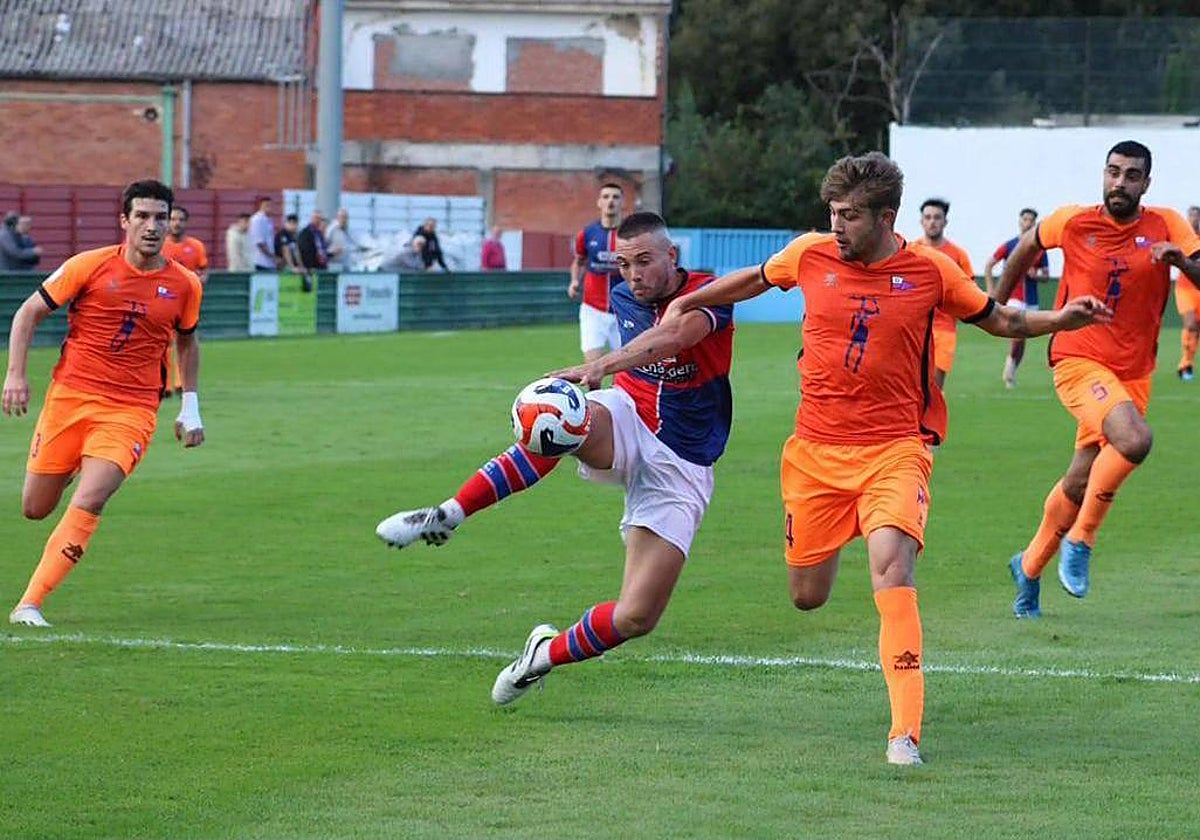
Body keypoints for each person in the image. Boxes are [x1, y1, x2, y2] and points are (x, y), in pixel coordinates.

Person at [661, 152, 1109, 766]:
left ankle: (904, 734)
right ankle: (845, 531)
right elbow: (755, 279)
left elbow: (999, 316)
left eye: (848, 216)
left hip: (896, 449)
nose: (836, 225)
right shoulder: (810, 254)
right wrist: (688, 304)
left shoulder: (929, 272)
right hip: (815, 454)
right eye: (832, 213)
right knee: (806, 596)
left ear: (885, 217)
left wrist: (1061, 316)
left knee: (892, 567)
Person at [375, 211, 736, 715]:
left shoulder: (707, 293)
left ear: (671, 257)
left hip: (683, 460)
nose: (634, 274)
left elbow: (675, 338)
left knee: (636, 617)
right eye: (626, 264)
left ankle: (542, 655)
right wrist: (596, 383)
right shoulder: (622, 295)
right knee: (557, 420)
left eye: (646, 261)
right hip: (628, 415)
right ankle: (449, 513)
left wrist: (598, 367)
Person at [995, 140, 1200, 619]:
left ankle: (1027, 568)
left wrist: (1182, 263)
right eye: (1113, 172)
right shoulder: (1073, 220)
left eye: (1131, 176)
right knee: (1134, 440)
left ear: (1146, 184)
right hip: (1077, 358)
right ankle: (1081, 541)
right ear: (1103, 175)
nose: (1119, 183)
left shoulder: (1167, 224)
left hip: (1135, 372)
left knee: (1080, 477)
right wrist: (996, 308)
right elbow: (1028, 245)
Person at [3, 179, 206, 628]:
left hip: (130, 411)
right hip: (69, 400)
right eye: (142, 217)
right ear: (125, 221)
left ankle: (29, 604)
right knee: (35, 508)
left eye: (160, 217)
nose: (152, 226)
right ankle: (78, 458)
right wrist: (15, 374)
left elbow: (188, 344)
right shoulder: (89, 266)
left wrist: (189, 406)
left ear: (169, 223)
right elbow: (27, 313)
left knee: (92, 496)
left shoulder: (185, 284)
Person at [983, 208, 1051, 388]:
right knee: (1017, 335)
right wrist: (991, 290)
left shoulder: (1040, 249)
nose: (1028, 223)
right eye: (1025, 219)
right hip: (1014, 297)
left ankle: (1011, 371)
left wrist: (1036, 274)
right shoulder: (1010, 245)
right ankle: (1008, 370)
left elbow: (1046, 275)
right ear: (1020, 222)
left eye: (1031, 220)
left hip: (1032, 299)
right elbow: (989, 265)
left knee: (1023, 338)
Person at [916, 198, 976, 389]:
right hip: (914, 327)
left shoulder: (958, 255)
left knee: (934, 387)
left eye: (937, 217)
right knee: (912, 384)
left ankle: (931, 419)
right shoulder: (911, 251)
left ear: (945, 221)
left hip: (944, 328)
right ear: (921, 221)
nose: (932, 221)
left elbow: (970, 290)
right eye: (928, 217)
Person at [569, 183, 625, 365]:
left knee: (625, 367)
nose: (611, 201)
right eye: (606, 197)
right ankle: (593, 394)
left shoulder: (630, 235)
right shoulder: (587, 234)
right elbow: (579, 261)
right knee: (592, 367)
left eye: (615, 197)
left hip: (623, 309)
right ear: (599, 202)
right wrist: (574, 281)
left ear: (622, 202)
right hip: (593, 308)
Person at [160, 206, 209, 397]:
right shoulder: (161, 246)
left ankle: (182, 383)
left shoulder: (196, 246)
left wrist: (201, 279)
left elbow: (203, 269)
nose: (176, 223)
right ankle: (165, 385)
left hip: (187, 300)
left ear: (186, 223)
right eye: (173, 219)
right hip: (164, 299)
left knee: (186, 340)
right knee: (164, 343)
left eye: (180, 219)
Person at [1173, 205, 1200, 381]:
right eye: (1190, 216)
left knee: (1197, 328)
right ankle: (1185, 364)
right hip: (1185, 287)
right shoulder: (1182, 238)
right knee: (1190, 324)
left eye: (1196, 216)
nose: (1193, 219)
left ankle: (1188, 363)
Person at [296, 211, 329, 293]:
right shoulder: (306, 232)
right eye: (316, 218)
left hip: (321, 268)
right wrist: (309, 266)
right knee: (310, 291)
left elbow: (322, 250)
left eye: (320, 219)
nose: (318, 221)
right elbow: (304, 250)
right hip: (310, 269)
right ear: (312, 219)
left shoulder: (319, 234)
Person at [326, 208, 366, 272]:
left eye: (345, 218)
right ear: (337, 218)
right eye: (342, 217)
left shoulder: (349, 231)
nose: (343, 220)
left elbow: (355, 243)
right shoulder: (332, 230)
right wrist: (333, 252)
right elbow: (325, 245)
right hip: (334, 264)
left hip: (345, 264)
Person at [249, 195, 279, 271]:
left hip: (270, 262)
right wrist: (273, 257)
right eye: (267, 205)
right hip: (260, 262)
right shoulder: (257, 220)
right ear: (262, 206)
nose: (271, 208)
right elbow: (259, 243)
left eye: (272, 206)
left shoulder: (269, 220)